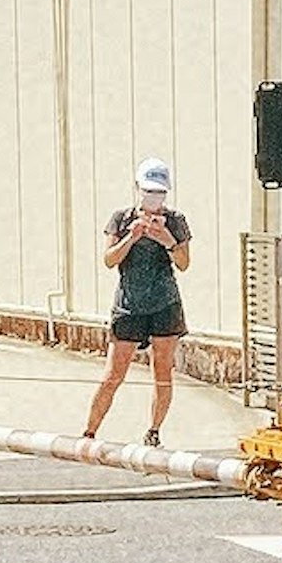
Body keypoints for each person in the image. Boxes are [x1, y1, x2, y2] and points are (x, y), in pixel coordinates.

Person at [83, 161, 194, 449]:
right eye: (148, 191)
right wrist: (132, 236)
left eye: (159, 192)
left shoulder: (176, 221)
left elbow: (183, 264)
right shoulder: (121, 219)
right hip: (129, 304)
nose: (153, 198)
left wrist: (167, 240)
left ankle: (154, 430)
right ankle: (89, 431)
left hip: (164, 303)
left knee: (163, 370)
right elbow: (109, 260)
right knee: (113, 373)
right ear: (137, 189)